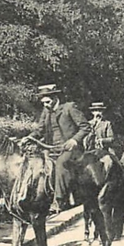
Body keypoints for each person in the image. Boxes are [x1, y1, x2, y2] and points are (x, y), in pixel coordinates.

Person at [34, 84, 90, 215]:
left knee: (61, 164)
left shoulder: (69, 108)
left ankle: (59, 201)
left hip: (71, 149)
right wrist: (29, 137)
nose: (45, 105)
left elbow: (85, 127)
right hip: (51, 148)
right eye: (43, 103)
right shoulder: (46, 112)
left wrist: (74, 140)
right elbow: (39, 130)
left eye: (47, 102)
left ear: (55, 98)